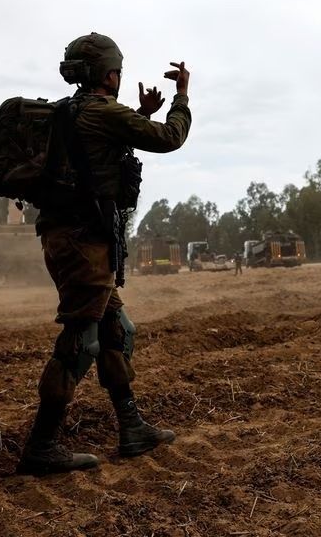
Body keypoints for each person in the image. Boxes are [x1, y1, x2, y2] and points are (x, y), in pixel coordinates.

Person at [17, 32, 192, 475]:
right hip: (83, 244)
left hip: (73, 240)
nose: (118, 76)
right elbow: (170, 138)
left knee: (117, 331)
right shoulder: (100, 112)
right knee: (82, 340)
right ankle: (42, 445)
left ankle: (132, 427)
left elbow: (91, 152)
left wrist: (136, 115)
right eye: (116, 70)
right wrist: (182, 97)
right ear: (107, 73)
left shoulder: (71, 114)